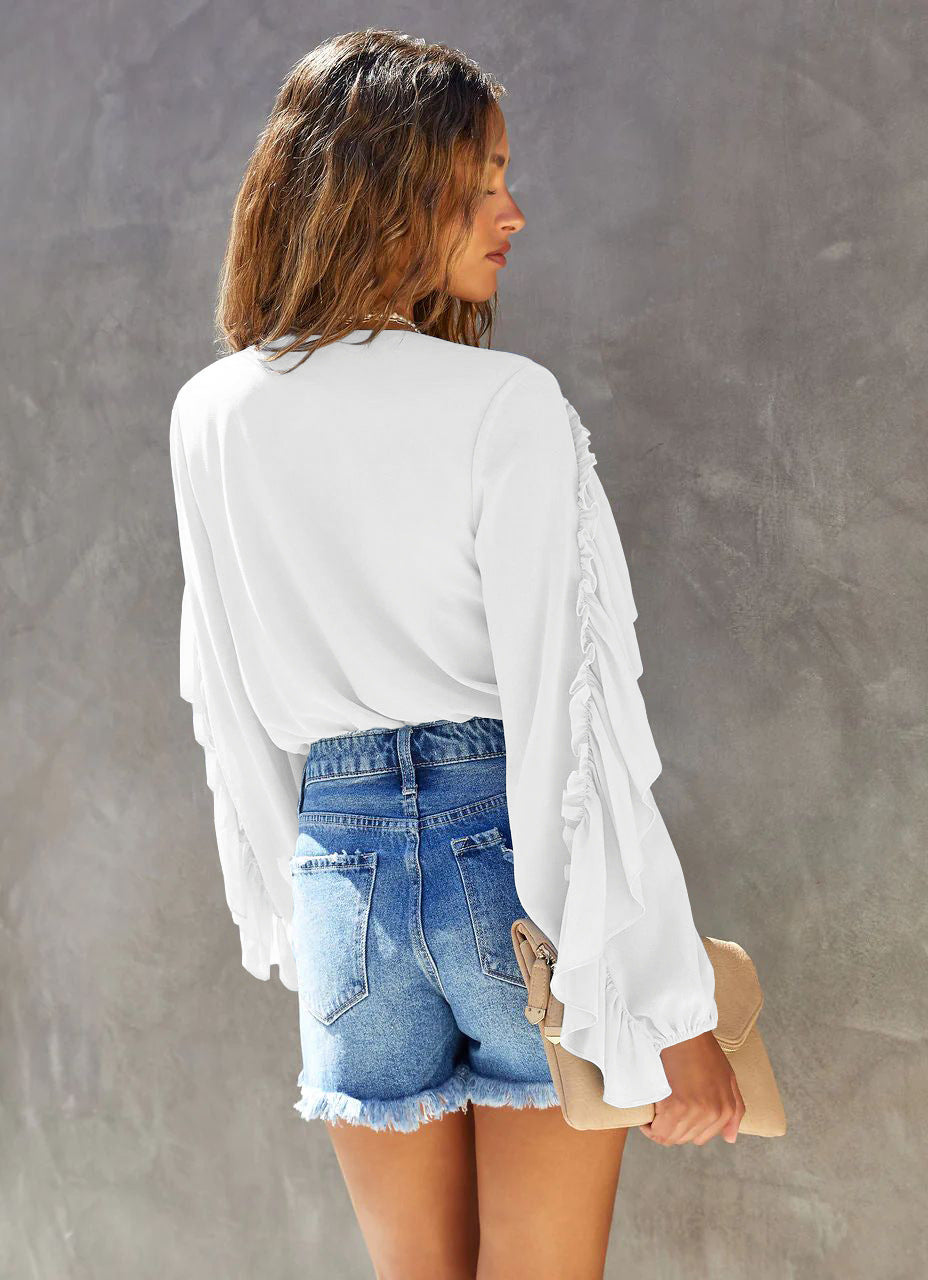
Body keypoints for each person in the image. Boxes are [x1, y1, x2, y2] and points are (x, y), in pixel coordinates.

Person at [169, 27, 744, 1280]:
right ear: (389, 190)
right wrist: (665, 1009)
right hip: (508, 869)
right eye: (481, 184)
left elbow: (231, 707)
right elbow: (570, 727)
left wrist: (306, 913)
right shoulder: (505, 403)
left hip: (339, 875)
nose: (513, 214)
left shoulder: (209, 413)